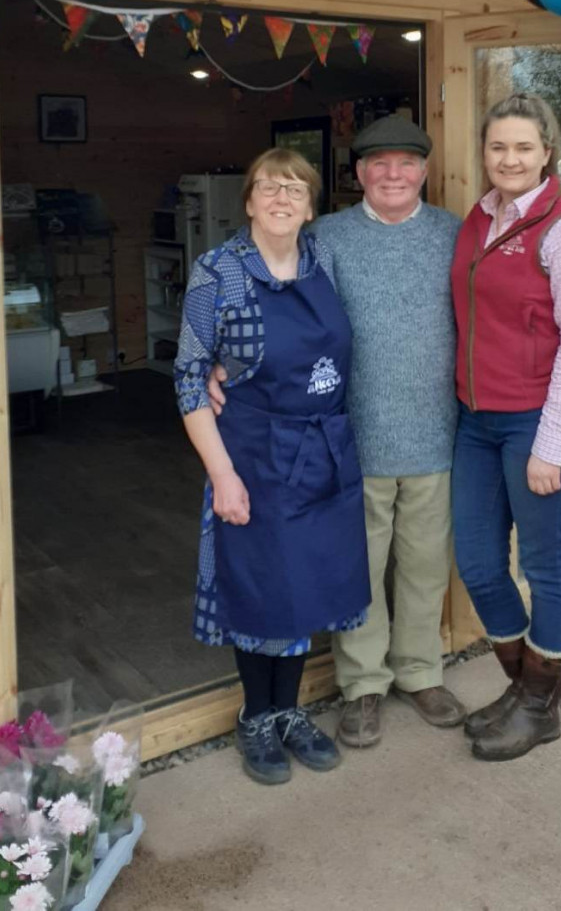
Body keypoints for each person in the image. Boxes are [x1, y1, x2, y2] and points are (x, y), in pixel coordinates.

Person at [210, 114, 464, 748]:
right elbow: (274, 301)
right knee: (357, 572)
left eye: (407, 163)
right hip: (349, 437)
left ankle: (420, 672)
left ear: (425, 172)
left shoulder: (454, 235)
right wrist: (224, 359)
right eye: (379, 164)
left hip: (436, 430)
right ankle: (364, 687)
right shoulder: (325, 238)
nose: (393, 174)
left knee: (426, 566)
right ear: (358, 175)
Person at [174, 148, 370, 786]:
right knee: (258, 585)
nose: (282, 199)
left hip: (324, 450)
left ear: (311, 205)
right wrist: (223, 475)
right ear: (250, 200)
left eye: (295, 189)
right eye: (269, 188)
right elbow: (187, 377)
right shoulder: (219, 271)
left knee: (305, 582)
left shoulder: (327, 263)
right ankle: (256, 715)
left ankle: (288, 712)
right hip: (252, 454)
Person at [450, 93, 561, 762]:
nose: (508, 159)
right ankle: (526, 690)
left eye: (522, 147)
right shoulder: (477, 221)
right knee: (480, 564)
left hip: (538, 422)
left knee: (544, 567)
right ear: (485, 154)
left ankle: (539, 705)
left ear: (547, 153)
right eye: (497, 147)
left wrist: (552, 441)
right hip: (476, 421)